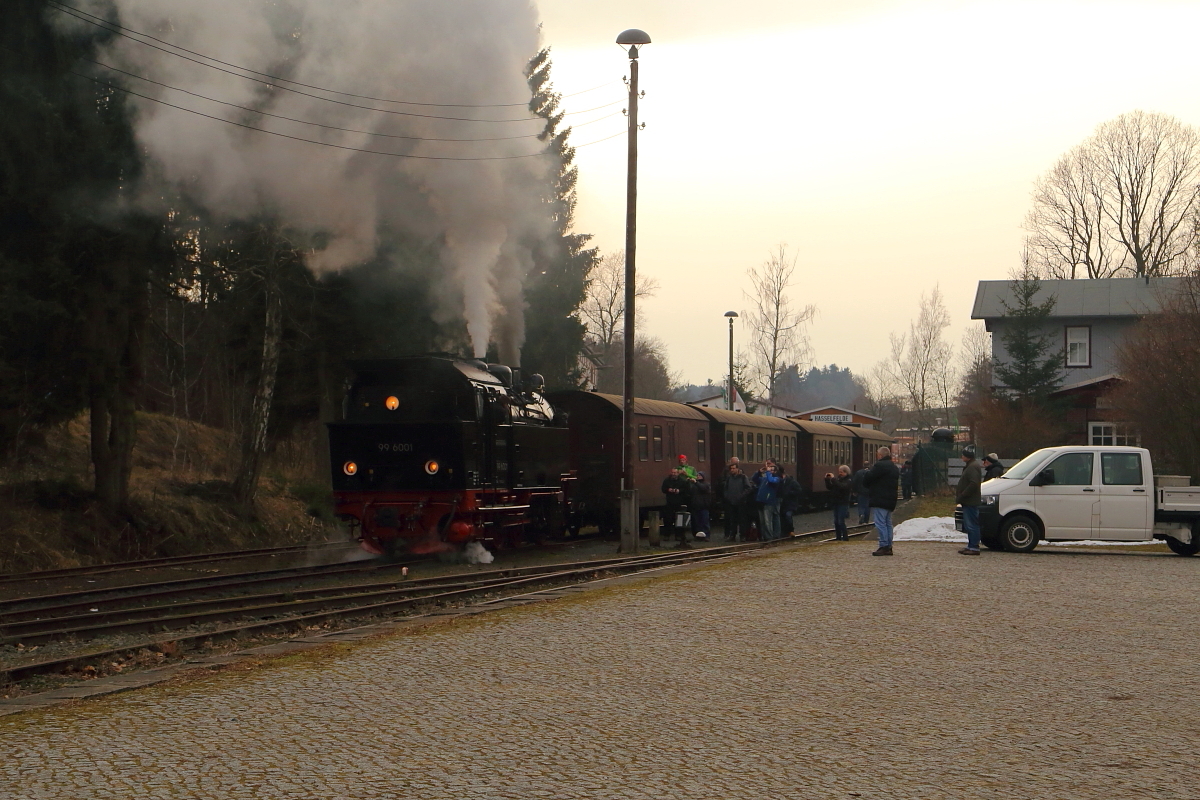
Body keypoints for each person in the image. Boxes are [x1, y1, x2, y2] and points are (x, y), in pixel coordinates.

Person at [863, 446, 900, 556]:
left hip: (880, 498)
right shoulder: (893, 467)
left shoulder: (879, 465)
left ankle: (883, 545)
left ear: (880, 455)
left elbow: (868, 478)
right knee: (888, 523)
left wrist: (867, 473)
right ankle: (888, 545)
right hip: (890, 499)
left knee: (880, 523)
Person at [956, 445, 984, 555]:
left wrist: (963, 494)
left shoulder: (972, 467)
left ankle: (974, 547)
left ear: (968, 456)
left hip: (970, 501)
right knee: (970, 524)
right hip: (968, 500)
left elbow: (973, 483)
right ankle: (971, 545)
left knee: (972, 524)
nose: (961, 456)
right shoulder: (971, 465)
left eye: (963, 454)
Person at [718, 462, 754, 542]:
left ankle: (742, 536)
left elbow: (748, 488)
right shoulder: (729, 478)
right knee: (732, 520)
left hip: (741, 502)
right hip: (731, 502)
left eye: (734, 468)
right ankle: (732, 535)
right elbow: (725, 489)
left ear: (737, 469)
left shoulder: (743, 477)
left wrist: (741, 496)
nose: (732, 470)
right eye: (731, 469)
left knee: (742, 520)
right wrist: (727, 496)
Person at [753, 459, 782, 541]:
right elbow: (754, 479)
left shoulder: (777, 479)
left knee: (767, 521)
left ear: (775, 471)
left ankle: (769, 537)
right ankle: (763, 536)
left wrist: (768, 472)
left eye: (772, 469)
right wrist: (759, 472)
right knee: (762, 522)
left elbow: (771, 480)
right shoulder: (764, 479)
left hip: (769, 502)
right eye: (769, 468)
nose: (770, 470)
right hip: (760, 501)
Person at [824, 465, 853, 540]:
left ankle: (845, 537)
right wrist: (827, 480)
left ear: (846, 472)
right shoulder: (838, 479)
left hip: (843, 503)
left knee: (841, 521)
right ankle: (838, 537)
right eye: (839, 472)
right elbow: (831, 487)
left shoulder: (849, 480)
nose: (840, 473)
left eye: (841, 472)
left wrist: (833, 479)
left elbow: (843, 487)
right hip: (836, 502)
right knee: (836, 521)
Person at [661, 468, 689, 544]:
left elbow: (686, 490)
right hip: (669, 502)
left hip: (679, 502)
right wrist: (668, 490)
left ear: (678, 473)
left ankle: (678, 535)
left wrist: (679, 491)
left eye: (675, 473)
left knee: (679, 520)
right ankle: (666, 535)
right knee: (668, 520)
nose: (673, 474)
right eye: (672, 472)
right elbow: (663, 489)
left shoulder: (682, 481)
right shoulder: (667, 481)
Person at [778, 466, 803, 537]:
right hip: (783, 503)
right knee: (782, 517)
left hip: (790, 503)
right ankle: (784, 531)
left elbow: (799, 490)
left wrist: (789, 493)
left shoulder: (792, 481)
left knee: (788, 516)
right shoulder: (781, 482)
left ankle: (790, 530)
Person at [690, 471, 712, 539]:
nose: (698, 476)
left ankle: (706, 535)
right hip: (695, 506)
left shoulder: (706, 484)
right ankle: (697, 536)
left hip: (703, 506)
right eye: (697, 475)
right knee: (696, 523)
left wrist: (696, 482)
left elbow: (703, 489)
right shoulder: (694, 486)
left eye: (700, 475)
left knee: (704, 522)